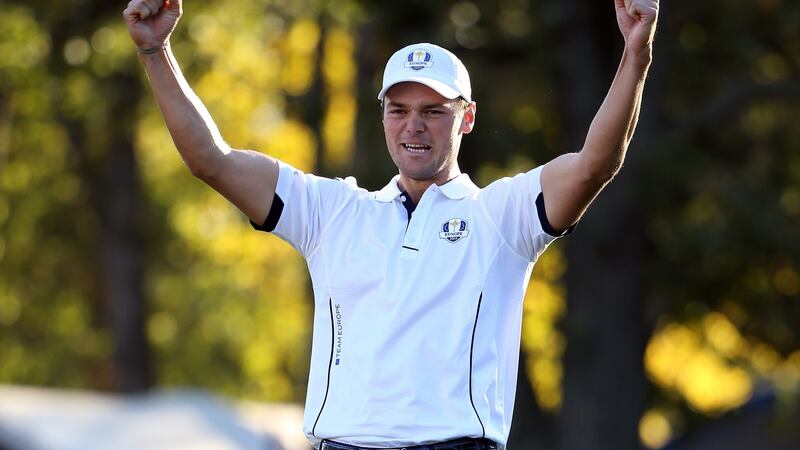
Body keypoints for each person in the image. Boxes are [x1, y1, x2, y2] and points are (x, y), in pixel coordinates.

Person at [124, 0, 659, 449]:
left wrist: (636, 53)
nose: (414, 126)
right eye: (399, 109)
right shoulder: (330, 211)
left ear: (467, 117)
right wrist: (155, 51)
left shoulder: (502, 214)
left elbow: (595, 163)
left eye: (434, 110)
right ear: (382, 114)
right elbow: (211, 161)